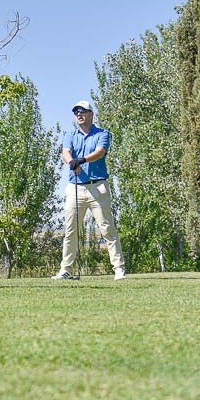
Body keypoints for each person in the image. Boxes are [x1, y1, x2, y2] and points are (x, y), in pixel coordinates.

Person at [53, 100, 127, 281]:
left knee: (107, 229)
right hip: (75, 188)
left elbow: (100, 152)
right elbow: (66, 152)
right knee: (71, 230)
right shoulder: (70, 134)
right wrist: (71, 162)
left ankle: (118, 268)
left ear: (91, 114)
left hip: (98, 187)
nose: (79, 114)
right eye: (76, 112)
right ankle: (66, 269)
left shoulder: (103, 134)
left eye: (83, 111)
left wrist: (82, 160)